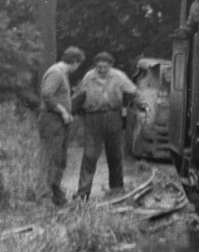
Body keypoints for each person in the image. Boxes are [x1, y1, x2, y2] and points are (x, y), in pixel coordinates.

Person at [73, 52, 144, 200]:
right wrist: (72, 113)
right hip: (93, 119)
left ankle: (117, 190)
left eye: (105, 67)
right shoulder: (89, 77)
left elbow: (133, 92)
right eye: (99, 67)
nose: (102, 70)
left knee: (115, 154)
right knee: (89, 156)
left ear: (110, 66)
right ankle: (83, 193)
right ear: (95, 66)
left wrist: (143, 104)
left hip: (113, 117)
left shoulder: (118, 76)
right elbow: (78, 97)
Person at [39, 46, 85, 206]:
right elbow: (47, 94)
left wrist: (67, 112)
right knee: (52, 158)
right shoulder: (56, 73)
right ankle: (45, 197)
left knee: (60, 159)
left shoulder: (62, 74)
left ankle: (55, 194)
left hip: (60, 121)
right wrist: (63, 111)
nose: (77, 67)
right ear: (74, 61)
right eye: (78, 64)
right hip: (52, 120)